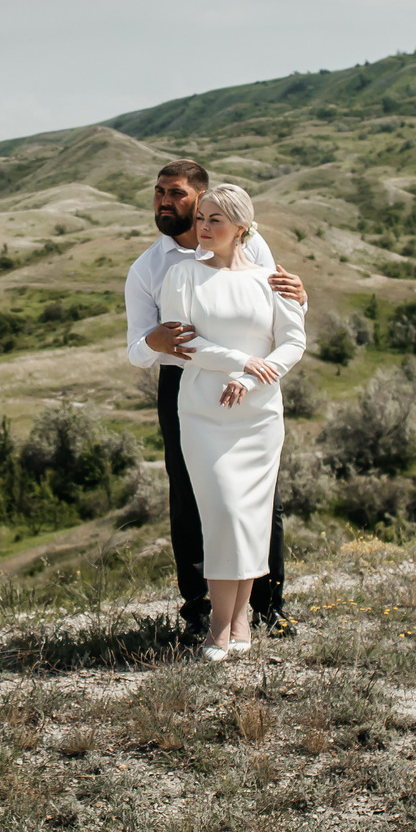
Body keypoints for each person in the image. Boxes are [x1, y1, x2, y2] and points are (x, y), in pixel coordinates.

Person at [125, 159, 308, 641]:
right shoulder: (150, 268)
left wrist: (300, 298)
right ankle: (200, 610)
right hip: (185, 385)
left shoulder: (252, 245)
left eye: (177, 194)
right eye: (159, 192)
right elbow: (138, 348)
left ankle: (268, 605)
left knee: (263, 499)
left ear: (201, 198)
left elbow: (273, 304)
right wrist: (154, 343)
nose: (165, 202)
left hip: (254, 386)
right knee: (190, 497)